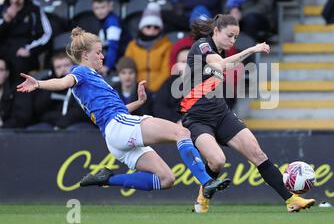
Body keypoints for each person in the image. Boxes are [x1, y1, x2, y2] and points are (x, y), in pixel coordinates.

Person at [17, 27, 230, 198]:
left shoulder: (94, 80)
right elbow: (62, 81)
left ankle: (106, 179)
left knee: (166, 179)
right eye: (98, 53)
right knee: (181, 133)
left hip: (114, 134)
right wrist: (39, 83)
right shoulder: (80, 71)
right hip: (119, 125)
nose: (102, 57)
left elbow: (112, 112)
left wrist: (138, 102)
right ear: (85, 55)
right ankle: (207, 181)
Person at [180, 14, 315, 213]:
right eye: (230, 36)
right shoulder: (202, 46)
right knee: (217, 161)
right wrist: (252, 49)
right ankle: (203, 197)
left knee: (258, 154)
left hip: (221, 114)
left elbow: (228, 64)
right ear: (216, 31)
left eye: (236, 37)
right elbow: (222, 65)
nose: (233, 41)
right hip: (197, 118)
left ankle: (291, 200)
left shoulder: (220, 51)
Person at [0, 0, 52, 83]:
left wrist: (29, 50)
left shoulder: (34, 9)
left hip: (25, 53)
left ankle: (17, 97)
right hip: (4, 52)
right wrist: (6, 20)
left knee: (19, 65)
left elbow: (46, 34)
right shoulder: (1, 9)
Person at [28, 52, 93, 130]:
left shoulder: (82, 83)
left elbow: (81, 111)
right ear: (53, 70)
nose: (63, 69)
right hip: (52, 123)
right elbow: (40, 109)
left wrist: (62, 123)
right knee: (32, 130)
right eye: (58, 67)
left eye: (66, 65)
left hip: (77, 123)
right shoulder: (46, 83)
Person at [124, 2, 172, 93]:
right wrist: (140, 88)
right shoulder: (132, 46)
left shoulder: (167, 45)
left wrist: (151, 90)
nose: (152, 29)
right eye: (148, 26)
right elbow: (128, 68)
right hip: (136, 91)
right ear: (142, 28)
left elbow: (166, 72)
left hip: (159, 91)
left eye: (156, 27)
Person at [92, 0, 131, 75]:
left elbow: (113, 46)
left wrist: (107, 66)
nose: (100, 11)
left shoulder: (113, 23)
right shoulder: (102, 21)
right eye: (97, 8)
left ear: (110, 6)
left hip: (121, 59)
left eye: (103, 7)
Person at [0, 56, 33, 129]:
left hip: (10, 134)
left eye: (1, 70)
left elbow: (21, 117)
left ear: (7, 73)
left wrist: (3, 128)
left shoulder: (19, 89)